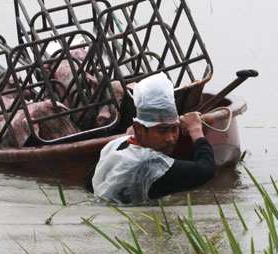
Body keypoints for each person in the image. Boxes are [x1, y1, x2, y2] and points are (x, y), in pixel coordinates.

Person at [85, 72, 216, 205]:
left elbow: (89, 183)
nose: (170, 138)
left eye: (174, 128)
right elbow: (206, 170)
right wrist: (195, 130)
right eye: (162, 130)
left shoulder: (115, 145)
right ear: (140, 129)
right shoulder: (149, 164)